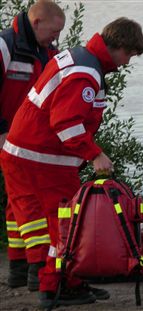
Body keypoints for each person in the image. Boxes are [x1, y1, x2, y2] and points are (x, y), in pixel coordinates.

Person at [0, 17, 143, 308]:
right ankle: (56, 286)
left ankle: (48, 276)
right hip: (44, 158)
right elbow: (66, 123)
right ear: (118, 46)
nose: (127, 62)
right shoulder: (86, 73)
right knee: (64, 224)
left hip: (21, 152)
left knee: (32, 219)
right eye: (128, 54)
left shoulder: (80, 57)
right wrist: (94, 153)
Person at [0, 0, 65, 291]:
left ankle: (18, 266)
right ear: (37, 22)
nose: (57, 38)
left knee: (17, 203)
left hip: (24, 142)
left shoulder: (46, 52)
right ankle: (35, 268)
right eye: (54, 31)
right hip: (8, 137)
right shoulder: (5, 46)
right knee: (30, 203)